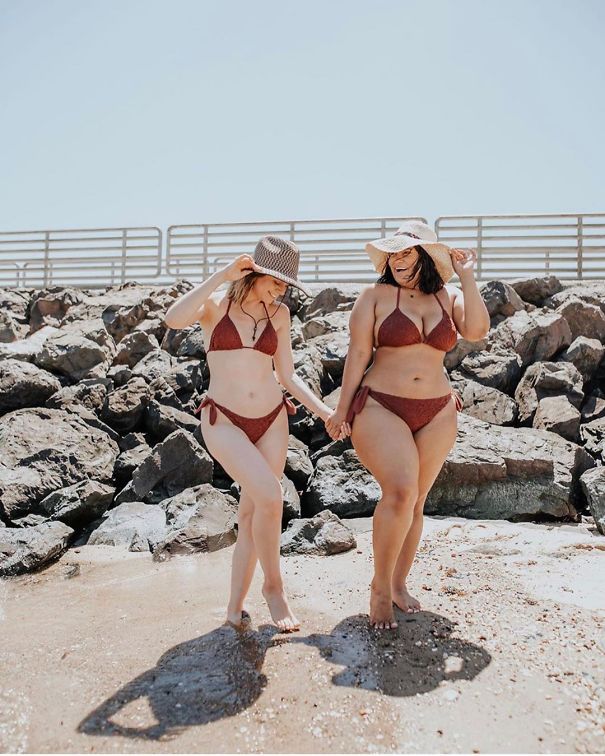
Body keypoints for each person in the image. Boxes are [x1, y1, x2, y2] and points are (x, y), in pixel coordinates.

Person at [165, 236, 343, 633]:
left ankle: (233, 607)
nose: (280, 291)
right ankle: (274, 588)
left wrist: (327, 412)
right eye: (276, 281)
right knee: (270, 495)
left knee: (251, 514)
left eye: (285, 285)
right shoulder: (216, 307)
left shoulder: (279, 315)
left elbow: (288, 376)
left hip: (272, 420)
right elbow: (174, 318)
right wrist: (220, 275)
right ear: (254, 272)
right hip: (223, 420)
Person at [326, 221, 490, 629]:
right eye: (393, 254)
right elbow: (358, 354)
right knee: (399, 492)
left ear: (425, 256)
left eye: (406, 252)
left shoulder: (447, 296)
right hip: (381, 405)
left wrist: (468, 276)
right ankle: (380, 587)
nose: (398, 260)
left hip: (437, 410)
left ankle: (399, 583)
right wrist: (341, 410)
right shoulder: (374, 297)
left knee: (416, 502)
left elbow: (477, 330)